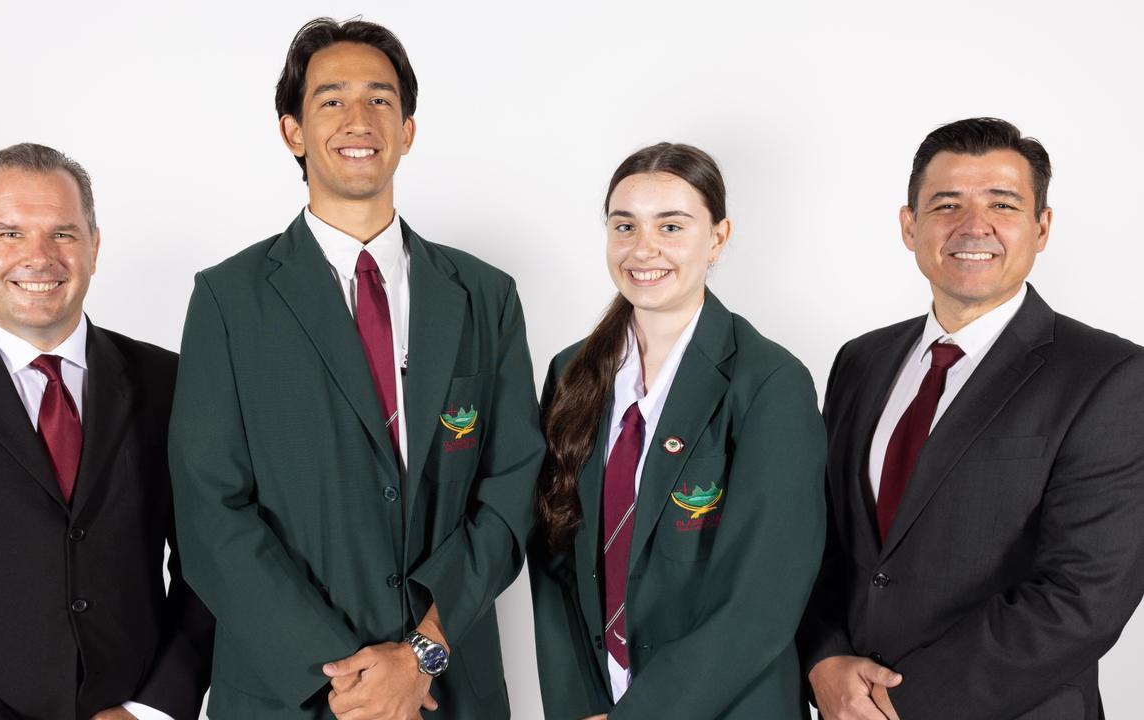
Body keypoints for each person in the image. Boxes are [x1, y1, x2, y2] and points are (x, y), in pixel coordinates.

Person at [168, 17, 544, 720]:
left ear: (407, 129)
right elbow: (210, 512)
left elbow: (511, 487)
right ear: (292, 131)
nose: (357, 118)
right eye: (330, 99)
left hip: (448, 691)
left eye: (380, 98)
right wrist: (352, 678)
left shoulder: (484, 296)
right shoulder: (227, 299)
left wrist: (421, 653)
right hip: (295, 695)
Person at [798, 117, 1144, 720]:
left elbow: (1084, 596)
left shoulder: (1111, 377)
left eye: (1002, 204)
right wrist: (823, 661)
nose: (972, 226)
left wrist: (900, 703)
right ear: (910, 227)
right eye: (946, 203)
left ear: (1041, 227)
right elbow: (820, 541)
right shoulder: (860, 361)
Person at [0, 143, 214, 720]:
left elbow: (209, 570)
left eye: (63, 234)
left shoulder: (171, 383)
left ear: (94, 248)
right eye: (9, 234)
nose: (39, 257)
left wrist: (152, 709)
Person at [528, 142, 827, 719]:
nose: (644, 249)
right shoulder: (569, 372)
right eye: (625, 226)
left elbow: (763, 600)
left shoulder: (770, 382)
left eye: (671, 226)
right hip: (595, 699)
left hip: (727, 706)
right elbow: (553, 560)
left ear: (717, 237)